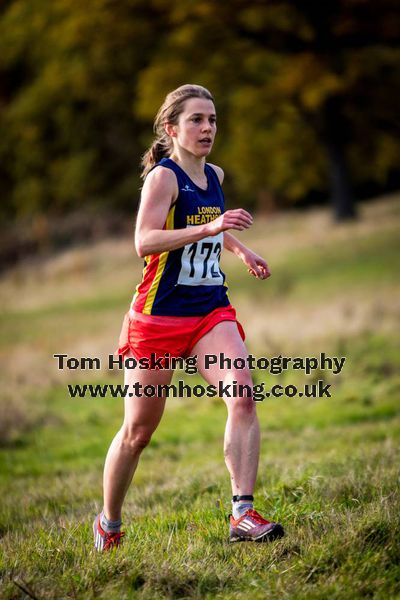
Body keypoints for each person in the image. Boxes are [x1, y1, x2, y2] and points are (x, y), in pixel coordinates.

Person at [93, 84, 284, 551]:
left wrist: (239, 248)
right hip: (157, 319)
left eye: (213, 120)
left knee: (242, 396)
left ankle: (243, 513)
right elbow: (145, 241)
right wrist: (211, 227)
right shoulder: (163, 178)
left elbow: (212, 222)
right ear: (171, 127)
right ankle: (109, 522)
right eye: (196, 120)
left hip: (208, 312)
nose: (207, 129)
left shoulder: (213, 174)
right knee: (138, 433)